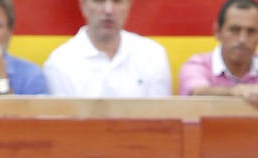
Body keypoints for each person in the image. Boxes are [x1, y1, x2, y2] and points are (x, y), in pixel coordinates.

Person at [42, 0, 172, 97]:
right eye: (99, 1)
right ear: (83, 5)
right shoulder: (60, 63)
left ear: (129, 5)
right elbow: (62, 127)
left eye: (118, 1)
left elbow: (161, 122)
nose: (109, 10)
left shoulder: (152, 55)